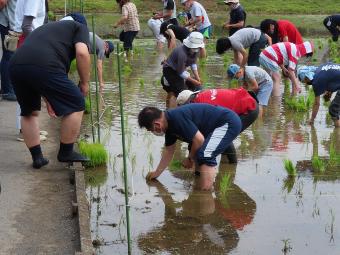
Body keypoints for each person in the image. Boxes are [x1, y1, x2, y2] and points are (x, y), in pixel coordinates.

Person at [9, 17, 91, 168]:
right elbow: (82, 53)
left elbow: (49, 75)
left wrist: (49, 99)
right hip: (45, 64)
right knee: (77, 103)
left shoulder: (49, 29)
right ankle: (66, 152)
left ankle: (37, 158)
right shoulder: (80, 27)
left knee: (29, 112)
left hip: (16, 64)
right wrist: (85, 83)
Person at [138, 104, 242, 182]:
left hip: (227, 123)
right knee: (197, 151)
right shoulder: (168, 128)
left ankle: (205, 195)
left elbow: (199, 140)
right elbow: (168, 152)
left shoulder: (176, 117)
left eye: (151, 129)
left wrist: (189, 159)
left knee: (205, 155)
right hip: (214, 128)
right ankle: (199, 186)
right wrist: (156, 173)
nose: (153, 132)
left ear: (157, 124)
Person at [176, 87, 259, 163]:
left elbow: (210, 132)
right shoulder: (200, 97)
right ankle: (226, 161)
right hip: (244, 98)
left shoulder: (203, 106)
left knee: (223, 135)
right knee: (222, 135)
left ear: (189, 103)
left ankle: (232, 166)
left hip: (249, 107)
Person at [161, 32, 204, 108]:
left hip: (180, 70)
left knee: (195, 88)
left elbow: (193, 63)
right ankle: (178, 109)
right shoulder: (181, 53)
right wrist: (193, 81)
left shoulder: (195, 51)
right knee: (182, 93)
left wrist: (197, 77)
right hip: (170, 70)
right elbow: (180, 72)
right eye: (195, 47)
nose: (197, 49)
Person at [297, 63, 340, 127]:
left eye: (305, 81)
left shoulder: (316, 81)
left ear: (306, 78)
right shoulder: (320, 68)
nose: (306, 84)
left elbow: (317, 104)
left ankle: (337, 133)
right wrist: (330, 91)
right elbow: (333, 76)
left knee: (333, 110)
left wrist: (311, 120)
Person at [0, 0, 17, 101]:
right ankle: (7, 91)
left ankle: (8, 89)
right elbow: (2, 2)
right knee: (9, 55)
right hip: (9, 23)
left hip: (14, 23)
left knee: (11, 55)